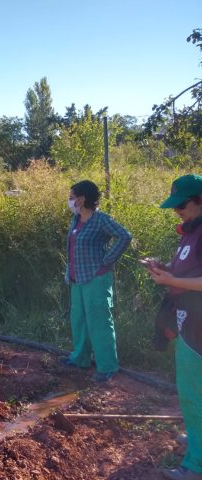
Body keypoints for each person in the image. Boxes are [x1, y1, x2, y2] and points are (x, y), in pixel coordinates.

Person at [145, 174, 202, 480]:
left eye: (182, 203)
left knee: (196, 392)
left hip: (199, 327)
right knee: (192, 391)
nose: (176, 209)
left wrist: (172, 281)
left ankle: (196, 466)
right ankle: (196, 440)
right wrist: (163, 269)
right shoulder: (190, 231)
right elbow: (188, 270)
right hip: (187, 321)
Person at [61, 180, 131, 383]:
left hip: (96, 279)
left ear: (82, 199)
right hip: (77, 278)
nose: (70, 201)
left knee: (99, 322)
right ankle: (80, 358)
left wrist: (107, 260)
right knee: (79, 320)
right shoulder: (76, 220)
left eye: (72, 197)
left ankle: (107, 367)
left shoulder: (100, 219)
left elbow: (125, 236)